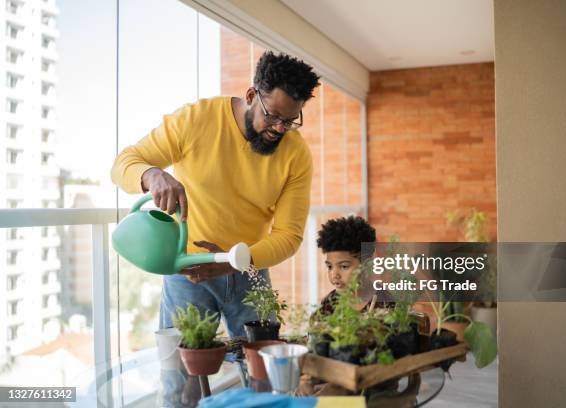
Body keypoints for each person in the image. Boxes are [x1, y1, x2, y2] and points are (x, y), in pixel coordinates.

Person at [111, 52, 320, 336]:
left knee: (261, 370)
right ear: (250, 95)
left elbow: (289, 235)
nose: (279, 129)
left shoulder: (296, 154)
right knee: (179, 375)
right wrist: (152, 175)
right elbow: (123, 164)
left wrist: (234, 262)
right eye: (272, 116)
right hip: (188, 269)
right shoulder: (196, 120)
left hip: (249, 269)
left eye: (290, 120)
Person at [315, 215, 390, 315]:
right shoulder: (329, 303)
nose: (334, 275)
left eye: (344, 266)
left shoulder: (387, 303)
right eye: (330, 267)